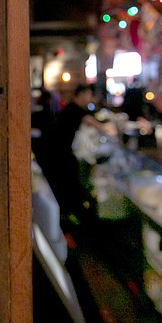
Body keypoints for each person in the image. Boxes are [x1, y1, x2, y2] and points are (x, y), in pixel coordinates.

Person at [34, 84, 113, 223]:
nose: (90, 98)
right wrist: (113, 127)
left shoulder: (72, 108)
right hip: (59, 152)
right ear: (81, 94)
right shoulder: (76, 110)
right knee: (68, 181)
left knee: (66, 181)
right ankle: (71, 215)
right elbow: (99, 126)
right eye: (88, 95)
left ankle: (68, 213)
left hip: (55, 150)